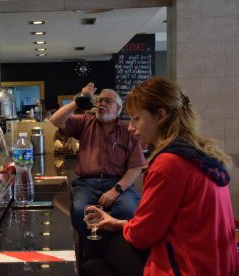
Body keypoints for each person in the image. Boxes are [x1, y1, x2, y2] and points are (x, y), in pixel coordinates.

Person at [83, 77, 238, 276]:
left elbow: (142, 236)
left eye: (136, 118)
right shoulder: (201, 153)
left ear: (161, 115)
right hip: (219, 266)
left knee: (95, 257)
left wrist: (123, 226)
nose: (130, 127)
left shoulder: (168, 164)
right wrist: (119, 223)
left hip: (187, 268)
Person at [49, 82, 146, 261]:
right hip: (87, 183)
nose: (100, 103)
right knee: (80, 211)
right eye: (98, 100)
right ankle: (92, 256)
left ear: (117, 108)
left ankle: (121, 256)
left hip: (118, 183)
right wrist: (80, 101)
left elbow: (136, 167)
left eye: (107, 101)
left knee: (128, 210)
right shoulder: (85, 122)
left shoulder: (128, 130)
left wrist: (116, 190)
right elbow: (55, 120)